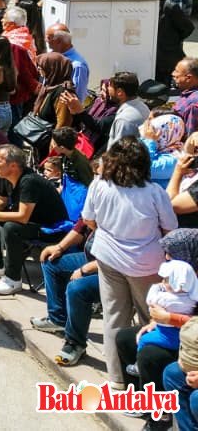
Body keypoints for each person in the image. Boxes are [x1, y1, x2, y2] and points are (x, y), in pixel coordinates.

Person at [49, 137, 179, 387]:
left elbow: (89, 220)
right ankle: (146, 382)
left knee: (114, 318)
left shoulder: (99, 185)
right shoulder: (155, 192)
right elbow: (170, 229)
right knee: (150, 320)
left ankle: (117, 380)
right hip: (146, 265)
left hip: (108, 258)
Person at [0, 143, 69, 296]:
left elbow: (22, 216)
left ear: (13, 165)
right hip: (31, 223)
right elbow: (1, 201)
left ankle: (13, 279)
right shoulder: (6, 177)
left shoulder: (29, 181)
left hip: (51, 229)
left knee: (11, 227)